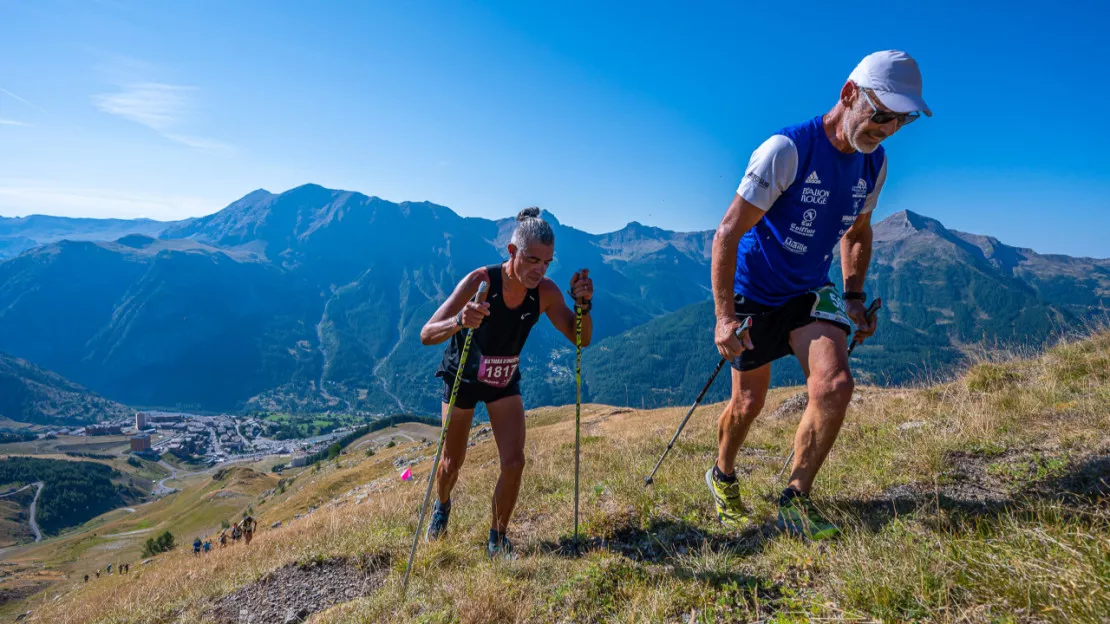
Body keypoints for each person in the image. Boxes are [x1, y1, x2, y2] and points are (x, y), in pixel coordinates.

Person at [707, 50, 930, 539]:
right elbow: (726, 234)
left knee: (835, 385)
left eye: (902, 120)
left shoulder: (875, 164)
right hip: (755, 292)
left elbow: (858, 231)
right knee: (748, 404)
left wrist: (853, 296)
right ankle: (722, 475)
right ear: (850, 94)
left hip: (810, 288)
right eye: (882, 114)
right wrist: (725, 319)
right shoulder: (786, 150)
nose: (888, 128)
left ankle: (795, 499)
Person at [419, 207, 594, 558]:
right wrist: (459, 319)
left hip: (503, 379)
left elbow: (581, 338)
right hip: (462, 378)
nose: (539, 270)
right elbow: (427, 334)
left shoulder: (544, 292)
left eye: (547, 262)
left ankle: (497, 540)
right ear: (512, 252)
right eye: (532, 260)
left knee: (514, 462)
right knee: (452, 463)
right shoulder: (481, 281)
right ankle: (442, 506)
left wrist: (584, 306)